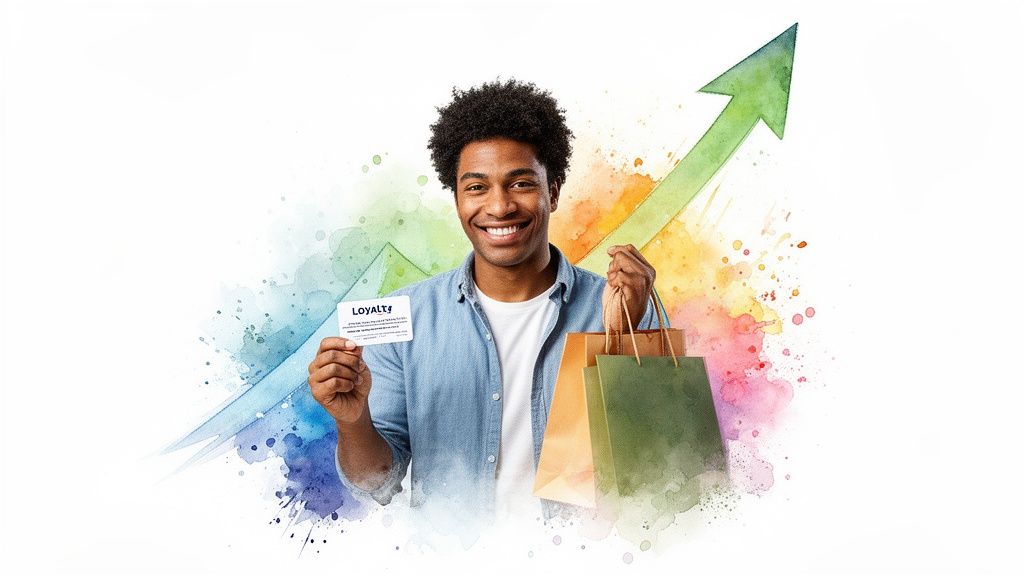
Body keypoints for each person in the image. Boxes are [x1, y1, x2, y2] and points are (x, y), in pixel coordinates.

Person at [307, 79, 657, 522]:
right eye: (476, 187)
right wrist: (352, 420)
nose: (499, 207)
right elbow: (378, 480)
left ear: (553, 190)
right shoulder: (405, 319)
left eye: (521, 183)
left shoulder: (621, 306)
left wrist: (625, 338)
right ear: (456, 198)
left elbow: (651, 471)